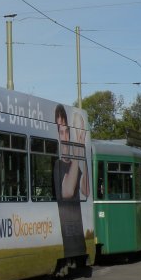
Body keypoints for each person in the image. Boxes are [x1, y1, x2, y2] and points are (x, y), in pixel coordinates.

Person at [53, 104, 86, 257]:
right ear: (57, 135)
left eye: (67, 132)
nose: (65, 137)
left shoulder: (75, 166)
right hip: (67, 240)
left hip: (79, 236)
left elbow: (86, 191)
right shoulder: (57, 165)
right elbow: (67, 191)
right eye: (61, 132)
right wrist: (77, 153)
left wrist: (82, 155)